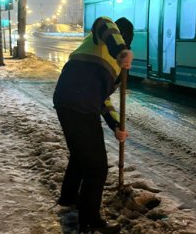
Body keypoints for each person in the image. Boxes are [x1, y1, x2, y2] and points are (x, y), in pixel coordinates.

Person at [53, 16, 134, 234]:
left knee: (81, 155)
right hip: (79, 104)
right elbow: (103, 21)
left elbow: (103, 99)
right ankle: (89, 220)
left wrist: (116, 125)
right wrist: (121, 50)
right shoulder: (101, 38)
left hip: (66, 100)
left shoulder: (118, 67)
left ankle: (68, 197)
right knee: (97, 167)